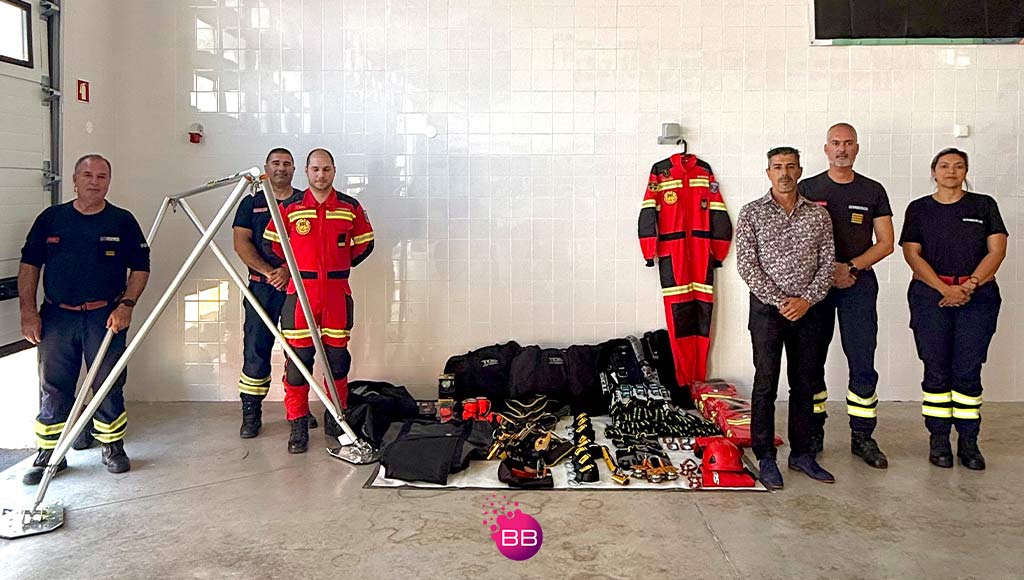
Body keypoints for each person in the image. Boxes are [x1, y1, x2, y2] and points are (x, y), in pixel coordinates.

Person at [18, 154, 150, 484]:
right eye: (87, 175)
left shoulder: (122, 221)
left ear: (109, 181)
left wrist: (127, 305)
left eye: (102, 176)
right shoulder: (51, 219)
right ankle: (50, 452)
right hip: (57, 317)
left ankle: (112, 446)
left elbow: (141, 268)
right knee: (53, 385)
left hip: (105, 316)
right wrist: (28, 312)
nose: (95, 181)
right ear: (75, 180)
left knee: (108, 383)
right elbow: (30, 266)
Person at [900, 148, 1007, 470]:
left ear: (966, 172)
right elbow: (912, 254)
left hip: (978, 297)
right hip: (930, 296)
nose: (951, 171)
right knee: (936, 369)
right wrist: (944, 289)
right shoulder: (919, 209)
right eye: (944, 166)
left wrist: (969, 286)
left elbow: (997, 250)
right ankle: (939, 440)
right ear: (933, 171)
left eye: (958, 166)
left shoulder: (983, 205)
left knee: (968, 370)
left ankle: (969, 442)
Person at [735, 147, 836, 489]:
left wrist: (806, 300)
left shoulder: (818, 216)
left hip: (810, 311)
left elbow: (828, 264)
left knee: (805, 383)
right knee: (766, 383)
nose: (784, 173)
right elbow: (747, 266)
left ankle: (802, 454)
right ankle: (765, 456)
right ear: (768, 172)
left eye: (790, 166)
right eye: (777, 167)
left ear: (800, 171)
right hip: (767, 312)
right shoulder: (751, 214)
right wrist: (781, 301)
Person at [263, 148, 374, 453]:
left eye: (326, 169)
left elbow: (364, 244)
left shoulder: (350, 207)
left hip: (338, 294)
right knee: (298, 363)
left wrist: (337, 267)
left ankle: (337, 417)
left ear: (334, 171)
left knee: (338, 361)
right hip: (300, 295)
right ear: (307, 172)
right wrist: (300, 267)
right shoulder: (291, 208)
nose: (320, 175)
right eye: (315, 170)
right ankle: (297, 422)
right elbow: (273, 245)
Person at [798, 123, 894, 468]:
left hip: (859, 284)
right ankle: (813, 430)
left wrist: (850, 268)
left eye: (848, 143)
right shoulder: (807, 188)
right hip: (815, 287)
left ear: (857, 148)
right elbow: (795, 238)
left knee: (862, 359)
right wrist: (826, 273)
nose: (842, 149)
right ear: (825, 149)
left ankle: (863, 436)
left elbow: (886, 242)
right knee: (811, 359)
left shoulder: (872, 190)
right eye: (835, 143)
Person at [232, 148, 318, 438]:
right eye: (275, 163)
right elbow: (241, 243)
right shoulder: (251, 203)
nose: (281, 168)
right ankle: (251, 412)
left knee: (300, 350)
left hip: (297, 286)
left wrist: (287, 271)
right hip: (261, 286)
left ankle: (299, 411)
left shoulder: (306, 202)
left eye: (287, 164)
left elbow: (315, 245)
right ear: (266, 168)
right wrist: (270, 273)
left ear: (295, 169)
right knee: (255, 347)